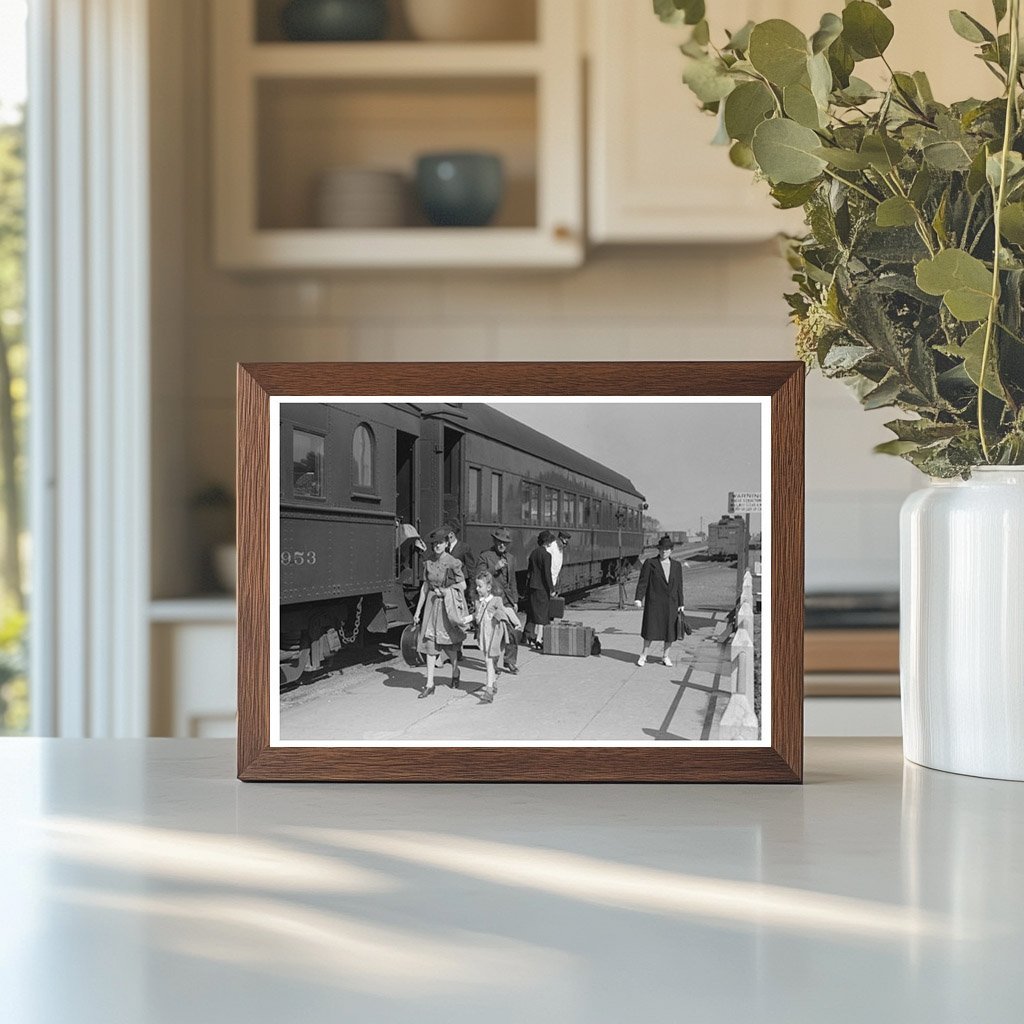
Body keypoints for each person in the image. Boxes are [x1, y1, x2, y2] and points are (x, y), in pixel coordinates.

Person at [412, 527, 469, 698]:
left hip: (446, 607)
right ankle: (430, 684)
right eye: (434, 543)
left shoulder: (453, 562)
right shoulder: (428, 562)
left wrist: (447, 591)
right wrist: (418, 610)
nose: (437, 546)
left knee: (449, 645)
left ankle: (455, 670)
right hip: (431, 606)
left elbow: (463, 585)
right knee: (430, 644)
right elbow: (425, 587)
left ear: (446, 543)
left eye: (440, 543)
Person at [463, 570, 520, 703]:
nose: (477, 589)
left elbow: (505, 612)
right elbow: (476, 616)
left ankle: (488, 691)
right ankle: (493, 683)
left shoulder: (496, 601)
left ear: (488, 587)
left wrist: (515, 623)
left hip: (493, 636)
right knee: (488, 660)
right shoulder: (478, 602)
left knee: (489, 661)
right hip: (483, 636)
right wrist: (464, 620)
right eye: (476, 586)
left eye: (480, 586)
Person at [633, 534, 685, 667]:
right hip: (654, 603)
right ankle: (644, 655)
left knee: (670, 632)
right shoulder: (650, 563)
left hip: (671, 604)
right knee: (650, 630)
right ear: (659, 550)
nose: (664, 552)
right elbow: (643, 582)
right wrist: (639, 598)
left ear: (671, 550)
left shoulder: (676, 566)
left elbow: (679, 585)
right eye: (662, 549)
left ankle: (666, 656)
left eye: (667, 549)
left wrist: (681, 603)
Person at [477, 527, 520, 674]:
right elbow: (480, 577)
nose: (502, 545)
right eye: (500, 542)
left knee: (513, 631)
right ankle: (493, 663)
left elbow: (512, 581)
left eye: (505, 543)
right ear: (494, 541)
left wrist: (515, 600)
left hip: (507, 601)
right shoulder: (485, 556)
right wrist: (495, 568)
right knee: (495, 634)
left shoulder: (511, 558)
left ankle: (510, 661)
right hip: (492, 601)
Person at [524, 530, 555, 650]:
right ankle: (539, 639)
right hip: (542, 588)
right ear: (547, 542)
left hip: (533, 586)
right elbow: (547, 574)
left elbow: (529, 572)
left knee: (533, 612)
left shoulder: (533, 553)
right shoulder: (547, 555)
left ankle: (530, 636)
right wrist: (551, 589)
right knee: (543, 614)